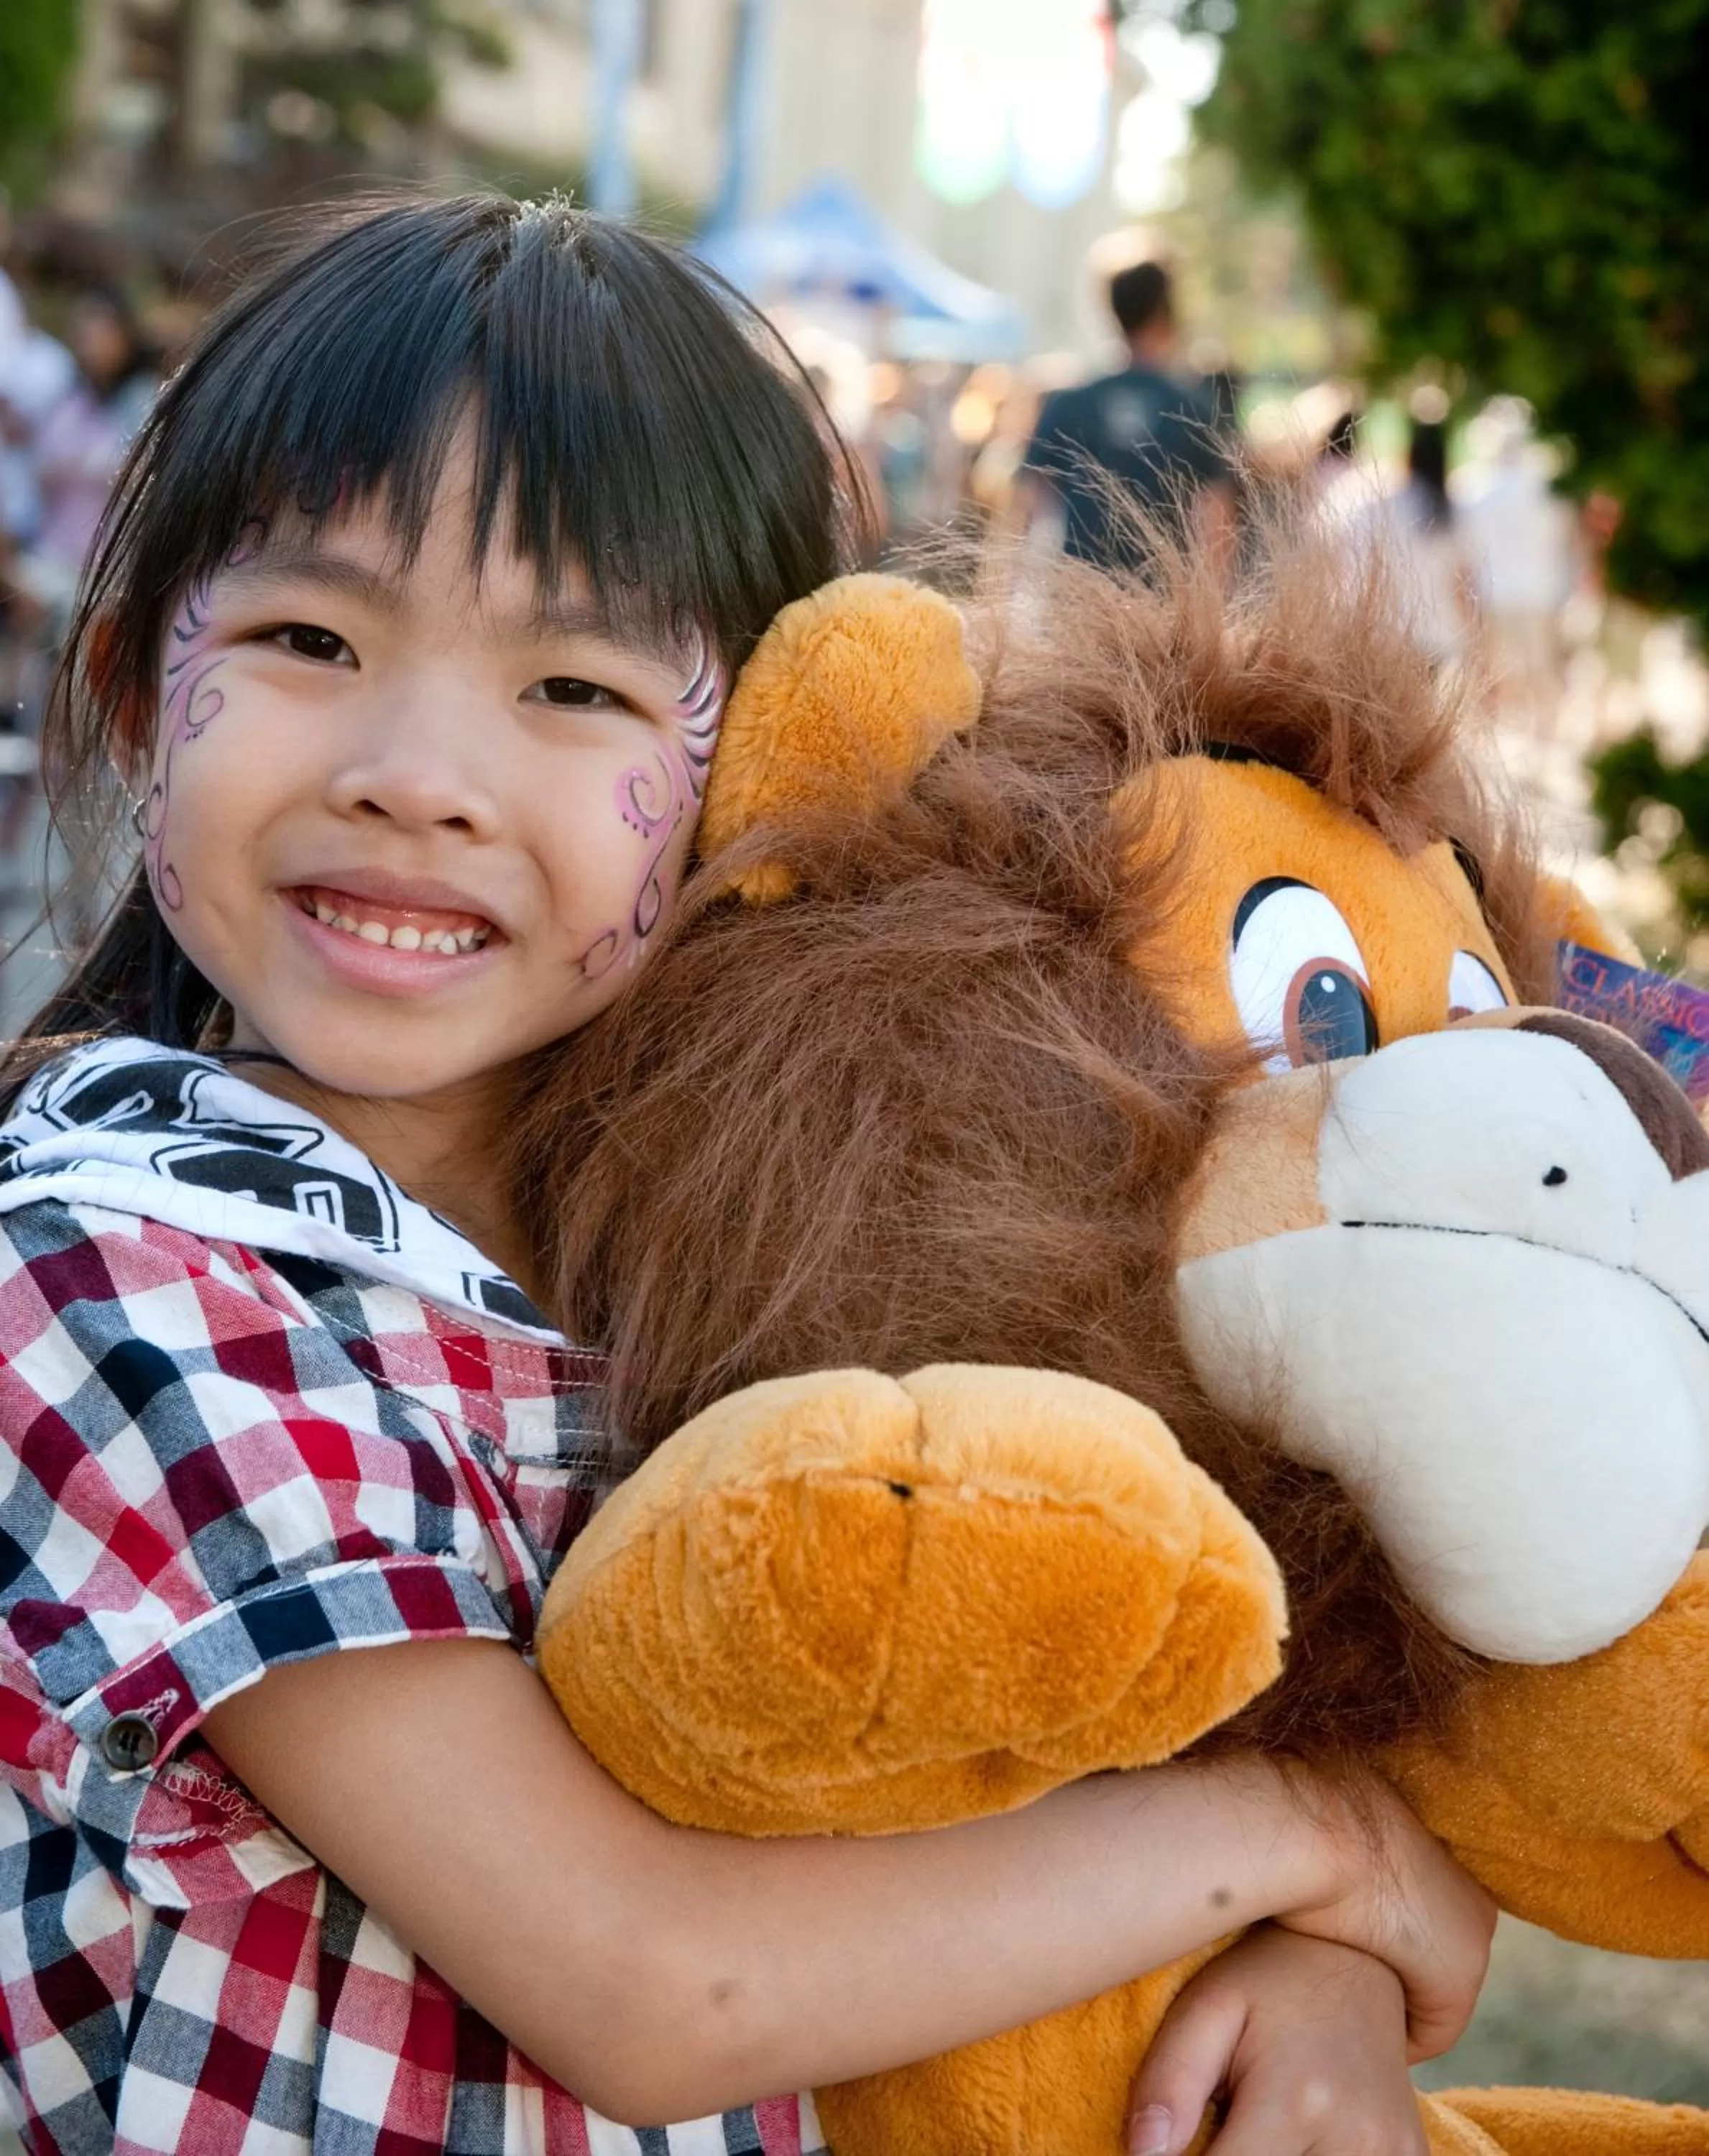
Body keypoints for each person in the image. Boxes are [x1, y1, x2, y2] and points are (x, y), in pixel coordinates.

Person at [0, 192, 1491, 2156]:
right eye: (307, 638)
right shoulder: (107, 1268)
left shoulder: (748, 1267)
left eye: (576, 690)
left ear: (756, 779)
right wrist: (1301, 1845)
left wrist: (1317, 1963)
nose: (418, 772)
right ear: (129, 694)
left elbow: (1067, 1733)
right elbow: (657, 1983)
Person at [1018, 258, 1237, 574]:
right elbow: (1218, 524)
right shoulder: (1195, 408)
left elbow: (1026, 510)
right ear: (1166, 311)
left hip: (1080, 597)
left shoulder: (1070, 403)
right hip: (1164, 605)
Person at [1342, 397, 1479, 674]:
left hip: (1390, 632)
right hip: (1439, 632)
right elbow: (1462, 581)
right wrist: (1473, 637)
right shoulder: (1454, 511)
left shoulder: (1380, 505)